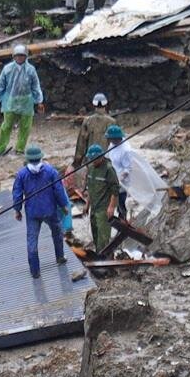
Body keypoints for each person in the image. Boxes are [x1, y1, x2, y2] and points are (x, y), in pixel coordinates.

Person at [12, 145, 70, 278]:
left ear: (27, 159)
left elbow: (17, 193)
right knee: (57, 233)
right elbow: (58, 190)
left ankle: (35, 270)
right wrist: (63, 205)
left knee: (32, 240)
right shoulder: (50, 171)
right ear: (40, 157)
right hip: (50, 210)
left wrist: (17, 209)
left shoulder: (21, 174)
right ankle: (60, 257)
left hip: (32, 212)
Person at [105, 123, 167, 225]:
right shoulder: (112, 145)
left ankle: (123, 220)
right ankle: (116, 217)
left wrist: (120, 178)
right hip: (113, 174)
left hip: (122, 180)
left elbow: (127, 169)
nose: (109, 141)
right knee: (111, 199)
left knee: (121, 199)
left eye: (111, 139)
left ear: (117, 138)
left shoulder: (125, 150)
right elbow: (109, 156)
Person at [0, 43, 43, 157]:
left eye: (22, 55)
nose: (20, 58)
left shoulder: (31, 70)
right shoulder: (7, 69)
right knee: (6, 125)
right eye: (17, 55)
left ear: (26, 56)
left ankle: (20, 148)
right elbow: (0, 85)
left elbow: (35, 86)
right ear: (13, 56)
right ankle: (0, 148)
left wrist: (39, 101)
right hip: (10, 101)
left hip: (26, 102)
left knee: (25, 126)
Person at [70, 92, 117, 188]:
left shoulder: (87, 121)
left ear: (94, 104)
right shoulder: (112, 122)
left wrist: (77, 162)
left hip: (91, 159)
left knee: (92, 184)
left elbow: (81, 144)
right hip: (107, 160)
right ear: (106, 104)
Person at [83, 143, 121, 252]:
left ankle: (104, 259)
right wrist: (87, 204)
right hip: (94, 207)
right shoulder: (90, 168)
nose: (93, 161)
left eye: (95, 159)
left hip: (104, 208)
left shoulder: (109, 169)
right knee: (95, 233)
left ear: (101, 157)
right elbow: (91, 188)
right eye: (91, 159)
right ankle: (98, 255)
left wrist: (111, 207)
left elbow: (115, 189)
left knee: (103, 238)